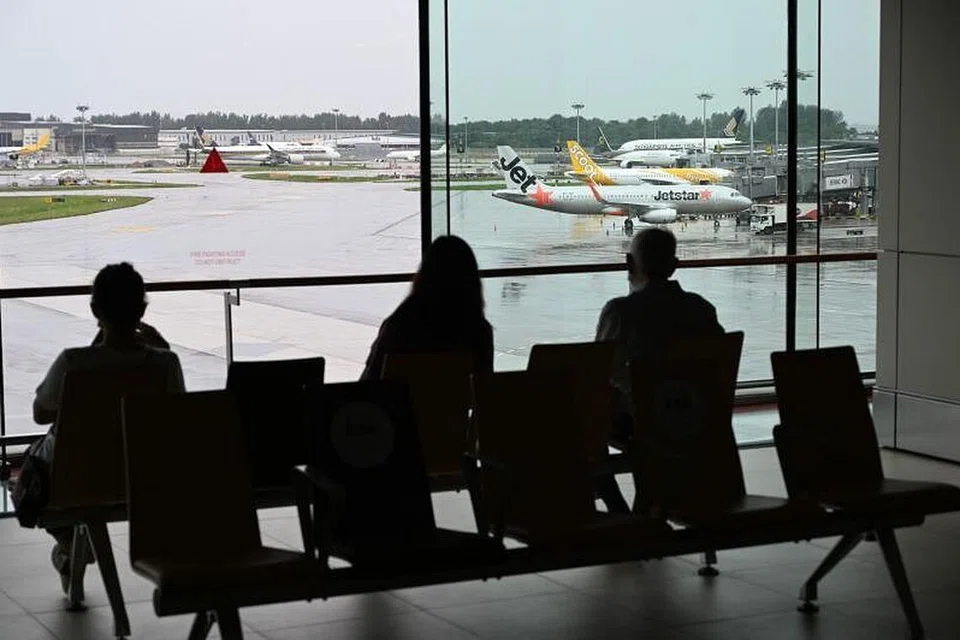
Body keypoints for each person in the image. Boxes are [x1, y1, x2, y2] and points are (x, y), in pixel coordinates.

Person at [26, 262, 185, 591]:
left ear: (95, 309)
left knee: (32, 469)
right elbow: (176, 414)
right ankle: (71, 547)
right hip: (141, 479)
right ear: (142, 309)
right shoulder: (164, 363)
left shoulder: (74, 363)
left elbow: (40, 413)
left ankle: (69, 542)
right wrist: (162, 348)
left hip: (76, 480)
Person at [594, 228, 724, 512]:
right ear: (674, 266)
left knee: (582, 420)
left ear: (629, 264)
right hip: (694, 416)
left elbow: (597, 372)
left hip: (640, 422)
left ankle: (619, 511)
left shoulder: (620, 312)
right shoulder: (702, 310)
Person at [361, 235, 493, 380]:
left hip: (400, 402)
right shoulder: (479, 331)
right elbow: (485, 390)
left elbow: (369, 383)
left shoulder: (398, 326)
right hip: (450, 402)